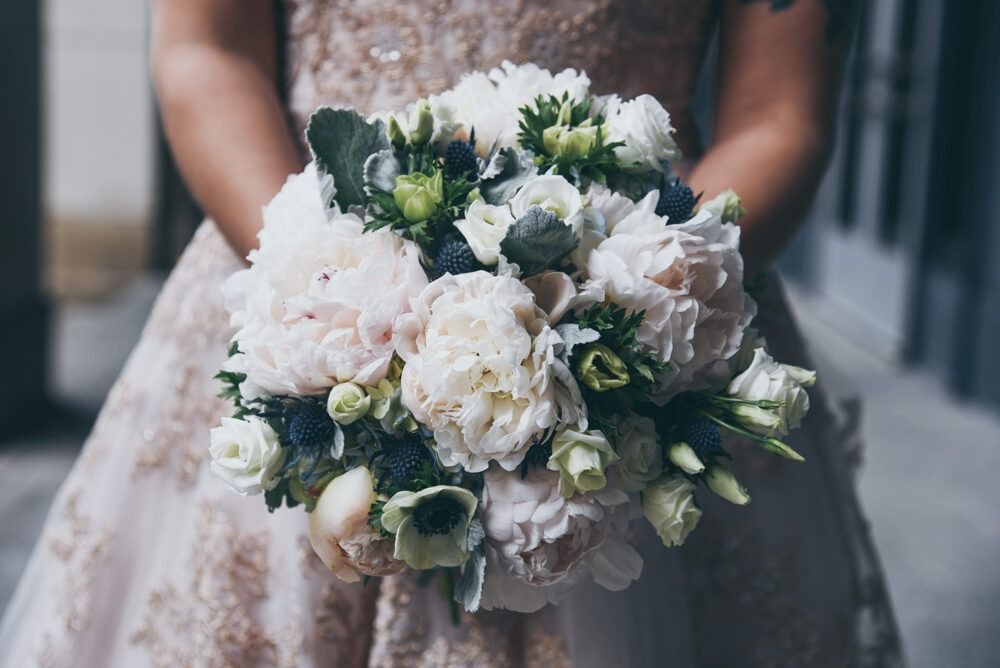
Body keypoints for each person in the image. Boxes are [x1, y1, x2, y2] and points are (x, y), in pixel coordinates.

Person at [0, 0, 903, 665]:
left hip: (646, 328)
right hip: (301, 276)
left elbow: (781, 112)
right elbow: (204, 54)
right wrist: (341, 304)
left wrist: (612, 318)